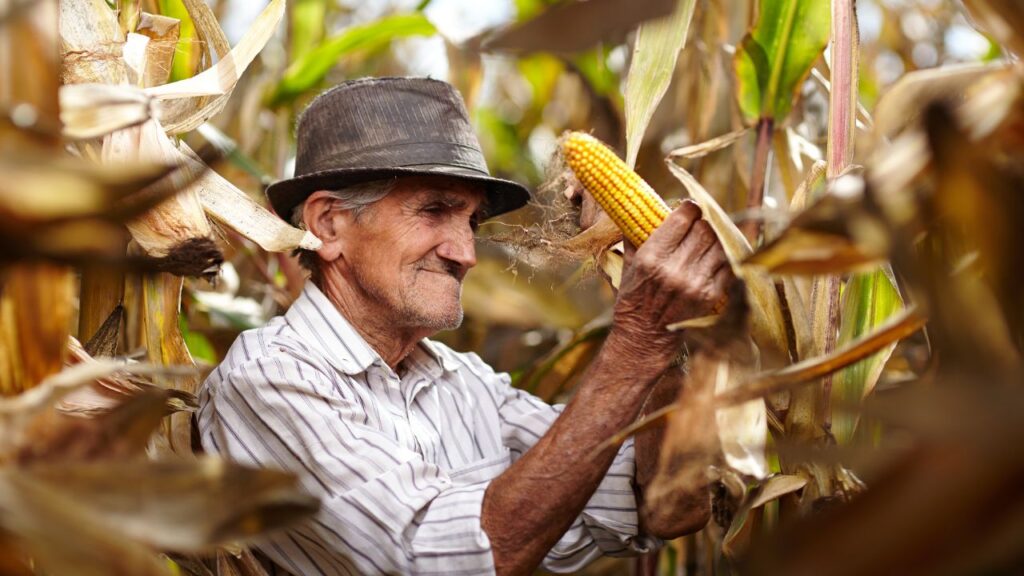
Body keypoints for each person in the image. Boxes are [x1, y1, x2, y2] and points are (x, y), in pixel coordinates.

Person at [197, 77, 733, 575]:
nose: (466, 254)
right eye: (433, 211)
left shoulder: (465, 382)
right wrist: (638, 341)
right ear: (328, 224)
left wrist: (674, 339)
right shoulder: (267, 380)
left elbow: (663, 504)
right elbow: (446, 558)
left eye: (471, 221)